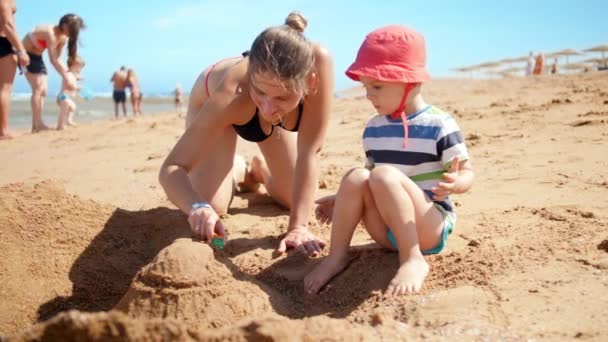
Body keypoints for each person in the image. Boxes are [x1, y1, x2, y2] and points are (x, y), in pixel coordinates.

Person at [304, 25, 475, 296]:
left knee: (383, 174)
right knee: (356, 176)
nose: (368, 94)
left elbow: (467, 172)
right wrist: (341, 199)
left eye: (377, 86)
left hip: (427, 226)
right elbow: (369, 181)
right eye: (365, 86)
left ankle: (413, 259)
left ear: (411, 83)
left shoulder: (439, 125)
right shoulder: (374, 129)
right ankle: (337, 256)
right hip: (385, 230)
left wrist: (457, 182)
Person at [159, 11, 334, 255]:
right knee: (214, 206)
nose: (268, 108)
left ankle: (257, 169)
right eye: (260, 92)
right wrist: (197, 206)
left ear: (310, 82)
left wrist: (298, 228)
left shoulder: (319, 66)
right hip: (213, 99)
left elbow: (310, 152)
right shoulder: (232, 93)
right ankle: (236, 167)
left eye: (282, 97)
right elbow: (172, 168)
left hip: (255, 104)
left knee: (293, 199)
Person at [22, 13, 85, 132]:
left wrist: (69, 74)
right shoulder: (49, 33)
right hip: (25, 55)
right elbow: (52, 59)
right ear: (64, 25)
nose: (73, 33)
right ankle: (36, 125)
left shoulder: (63, 38)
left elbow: (57, 58)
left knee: (44, 91)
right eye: (72, 29)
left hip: (38, 58)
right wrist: (66, 76)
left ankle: (38, 123)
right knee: (38, 89)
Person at [0, 0, 29, 140]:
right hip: (2, 43)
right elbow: (7, 24)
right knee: (4, 88)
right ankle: (3, 131)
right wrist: (21, 50)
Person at [55, 55, 84, 129]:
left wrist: (78, 78)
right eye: (80, 68)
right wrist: (76, 88)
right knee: (64, 110)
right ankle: (60, 125)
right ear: (74, 65)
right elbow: (69, 84)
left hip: (66, 97)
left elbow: (75, 78)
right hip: (63, 96)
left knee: (72, 107)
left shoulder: (72, 75)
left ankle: (68, 120)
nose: (80, 70)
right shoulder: (68, 74)